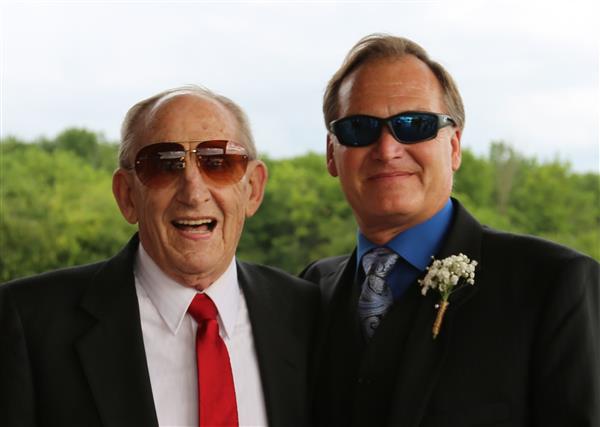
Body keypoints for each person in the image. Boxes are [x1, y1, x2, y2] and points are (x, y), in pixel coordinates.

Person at [301, 34, 599, 427]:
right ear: (331, 154)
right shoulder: (309, 292)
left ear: (454, 146)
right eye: (359, 128)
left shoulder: (553, 284)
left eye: (415, 125)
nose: (387, 149)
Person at [0, 85, 319, 427]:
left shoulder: (310, 315)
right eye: (164, 165)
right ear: (127, 196)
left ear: (253, 189)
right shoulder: (29, 323)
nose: (194, 192)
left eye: (219, 162)